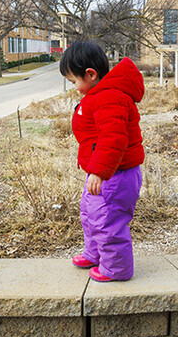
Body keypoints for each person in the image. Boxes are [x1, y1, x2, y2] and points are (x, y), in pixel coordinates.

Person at [61, 40, 144, 282]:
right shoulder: (99, 94)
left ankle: (116, 268)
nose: (74, 87)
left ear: (90, 74)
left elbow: (113, 139)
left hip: (114, 173)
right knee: (90, 214)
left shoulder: (110, 97)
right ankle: (95, 253)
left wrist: (98, 171)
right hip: (103, 171)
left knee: (108, 220)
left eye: (74, 81)